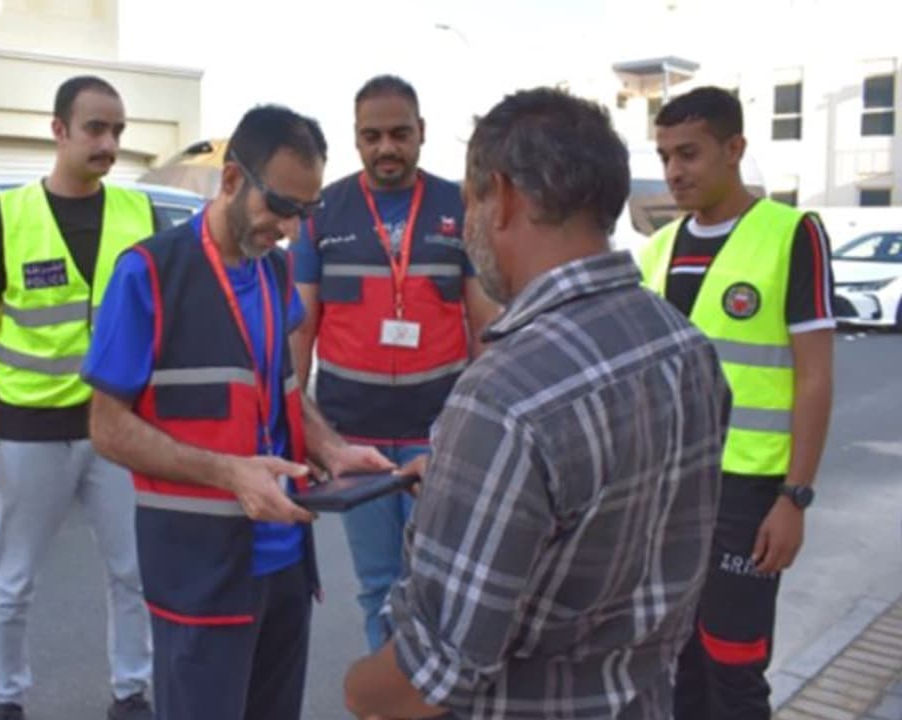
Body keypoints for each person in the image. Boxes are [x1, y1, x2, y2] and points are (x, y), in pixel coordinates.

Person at [343, 88, 730, 719]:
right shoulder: (685, 347)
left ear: (506, 197)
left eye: (471, 202)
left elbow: (426, 680)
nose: (467, 223)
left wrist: (355, 691)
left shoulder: (503, 398)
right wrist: (476, 487)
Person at [84, 104, 395, 720]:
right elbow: (106, 427)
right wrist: (229, 474)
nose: (290, 229)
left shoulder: (276, 274)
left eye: (304, 212)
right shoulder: (148, 273)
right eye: (280, 205)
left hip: (284, 566)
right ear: (231, 181)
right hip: (199, 569)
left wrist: (329, 447)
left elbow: (281, 391)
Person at [0, 75, 156, 720]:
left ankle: (132, 691)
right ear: (59, 130)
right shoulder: (8, 218)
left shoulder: (137, 213)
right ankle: (6, 699)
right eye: (95, 128)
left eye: (118, 131)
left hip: (117, 427)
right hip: (28, 431)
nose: (109, 143)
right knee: (12, 582)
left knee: (133, 573)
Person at [643, 86, 835, 720]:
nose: (675, 171)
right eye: (666, 155)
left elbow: (814, 378)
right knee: (677, 663)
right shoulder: (659, 248)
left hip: (749, 493)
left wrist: (795, 497)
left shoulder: (791, 234)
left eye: (689, 154)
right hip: (669, 492)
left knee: (734, 666)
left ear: (735, 149)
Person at [291, 74, 498, 650]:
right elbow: (299, 330)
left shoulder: (461, 205)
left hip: (438, 437)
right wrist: (300, 430)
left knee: (437, 585)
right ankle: (389, 706)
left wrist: (473, 429)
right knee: (378, 585)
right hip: (351, 438)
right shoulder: (322, 211)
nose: (387, 148)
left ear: (422, 133)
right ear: (356, 139)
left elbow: (485, 327)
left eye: (400, 133)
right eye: (372, 135)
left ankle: (432, 702)